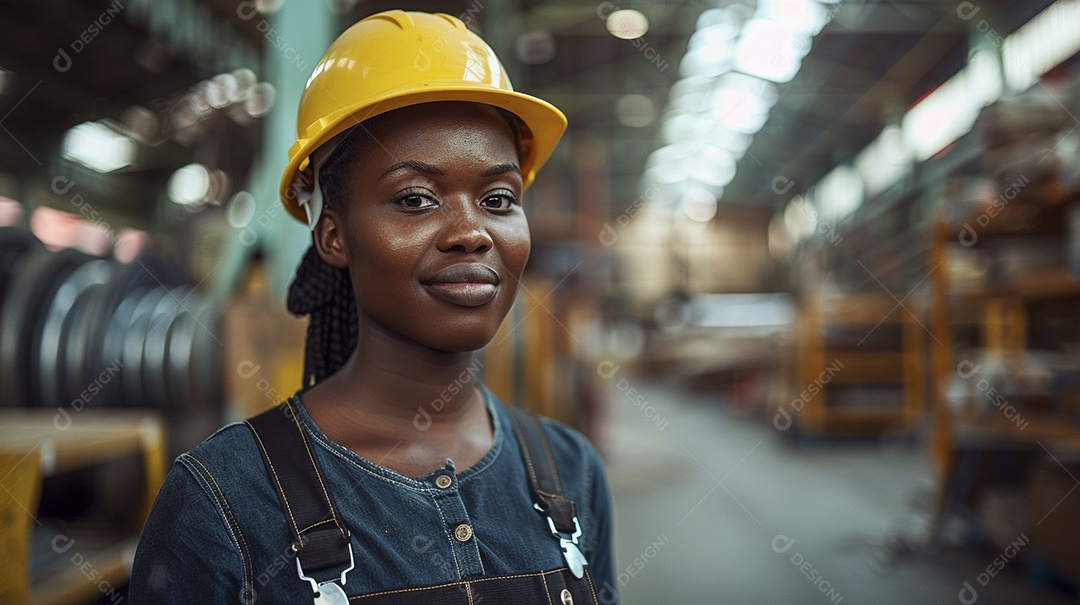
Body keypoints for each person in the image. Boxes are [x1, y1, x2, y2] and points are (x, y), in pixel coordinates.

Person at [130, 10, 617, 604]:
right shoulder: (226, 502)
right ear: (333, 235)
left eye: (497, 198)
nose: (472, 233)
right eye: (415, 199)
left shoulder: (571, 474)